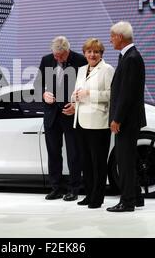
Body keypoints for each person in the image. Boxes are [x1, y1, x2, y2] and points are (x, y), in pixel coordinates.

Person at [34, 36, 87, 201]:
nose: (57, 58)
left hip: (70, 113)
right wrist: (43, 94)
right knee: (53, 153)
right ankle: (56, 188)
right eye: (55, 55)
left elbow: (88, 88)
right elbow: (37, 86)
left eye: (61, 56)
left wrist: (76, 106)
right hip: (51, 115)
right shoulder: (46, 60)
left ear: (67, 51)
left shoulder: (80, 60)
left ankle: (74, 189)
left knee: (74, 154)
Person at [107, 21, 147, 212]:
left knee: (125, 162)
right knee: (128, 160)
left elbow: (127, 94)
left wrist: (117, 119)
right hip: (128, 120)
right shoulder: (128, 56)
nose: (110, 39)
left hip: (126, 121)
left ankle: (127, 201)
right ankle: (137, 197)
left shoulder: (131, 58)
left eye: (112, 36)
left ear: (120, 37)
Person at [72, 38, 114, 209]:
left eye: (96, 52)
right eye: (89, 51)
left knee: (98, 163)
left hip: (99, 122)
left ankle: (98, 197)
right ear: (85, 54)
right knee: (86, 163)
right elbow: (77, 92)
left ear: (101, 54)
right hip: (81, 121)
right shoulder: (81, 70)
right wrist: (74, 97)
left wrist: (89, 93)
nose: (92, 54)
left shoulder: (108, 69)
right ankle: (89, 195)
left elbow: (111, 95)